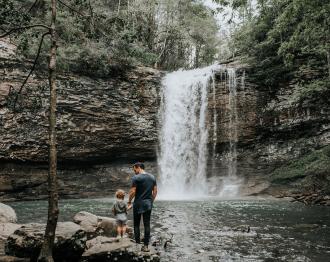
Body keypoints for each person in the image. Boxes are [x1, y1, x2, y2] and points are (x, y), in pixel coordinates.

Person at [127, 162, 157, 252]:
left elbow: (133, 191)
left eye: (134, 169)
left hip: (138, 203)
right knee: (147, 224)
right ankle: (146, 246)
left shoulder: (136, 178)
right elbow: (155, 191)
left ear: (138, 167)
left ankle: (137, 244)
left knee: (136, 224)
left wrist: (129, 201)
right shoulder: (152, 177)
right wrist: (151, 201)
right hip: (148, 203)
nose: (134, 171)